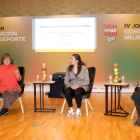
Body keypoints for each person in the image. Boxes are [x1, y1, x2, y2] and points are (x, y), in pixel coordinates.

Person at [64, 54, 89, 118]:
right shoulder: (69, 69)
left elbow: (87, 81)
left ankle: (78, 110)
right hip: (72, 85)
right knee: (67, 91)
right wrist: (70, 85)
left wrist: (78, 85)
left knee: (77, 91)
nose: (70, 60)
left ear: (77, 60)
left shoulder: (84, 68)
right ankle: (71, 109)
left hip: (82, 86)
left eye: (72, 59)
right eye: (70, 59)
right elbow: (66, 81)